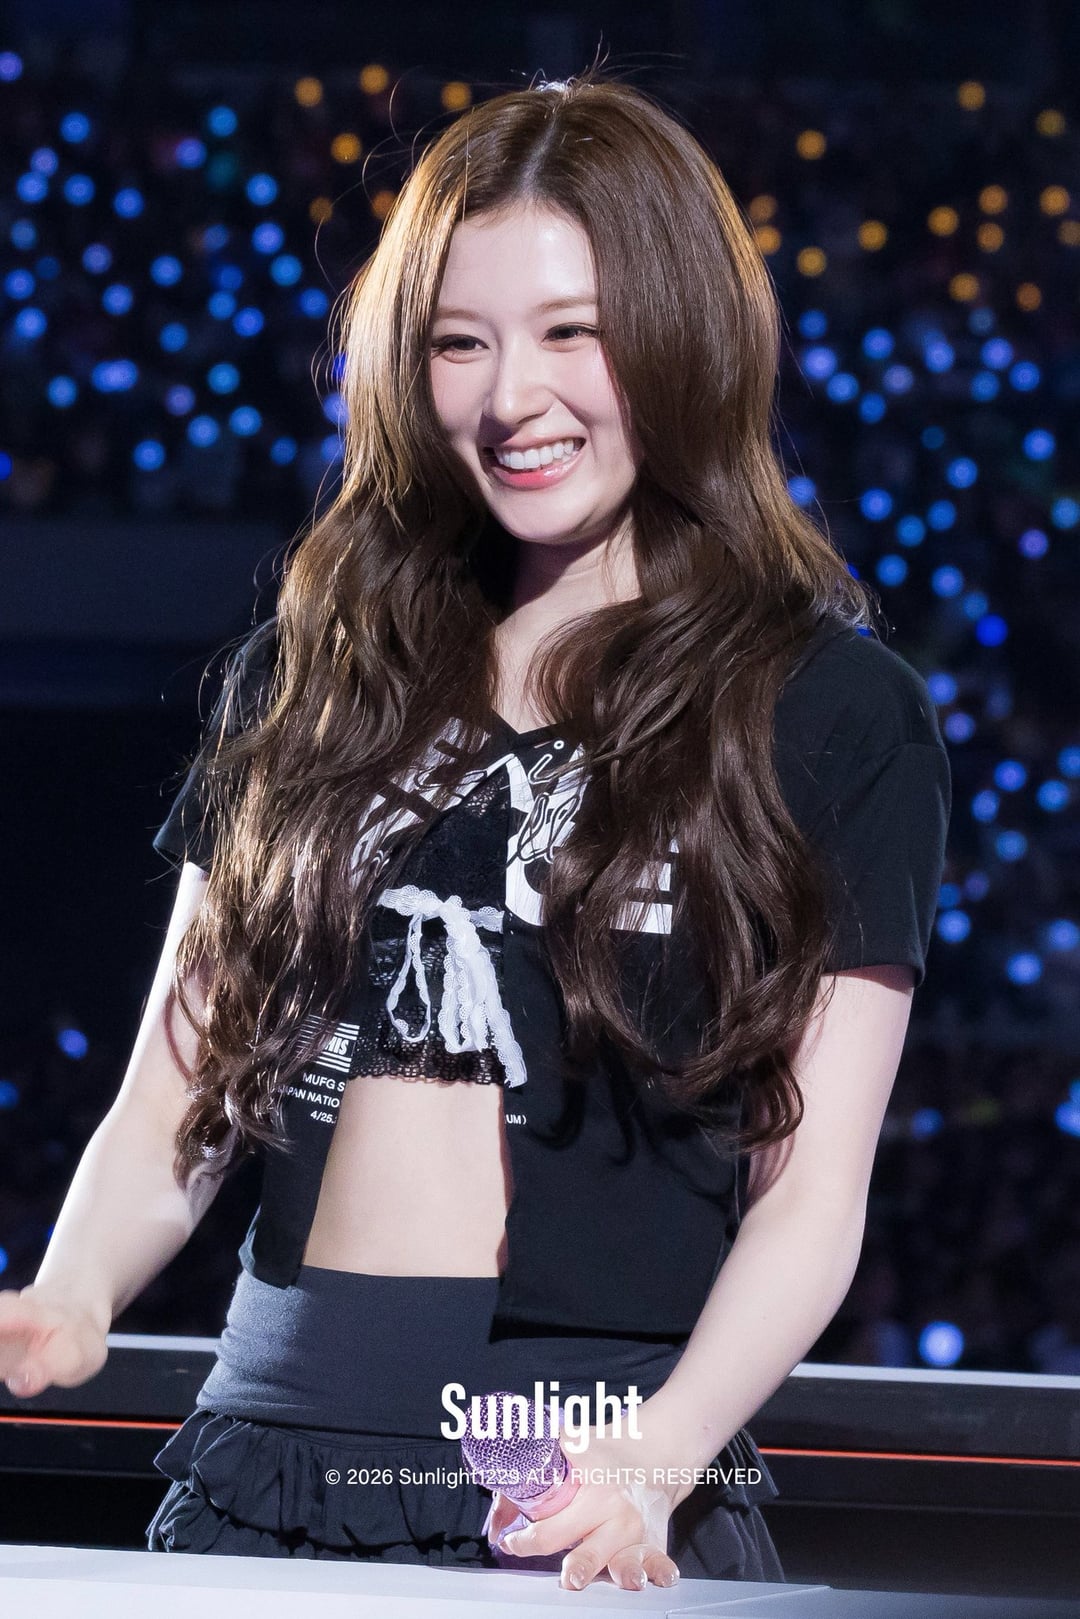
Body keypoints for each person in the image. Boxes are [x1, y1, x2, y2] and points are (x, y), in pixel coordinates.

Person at [0, 70, 950, 1592]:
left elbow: (811, 1195)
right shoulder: (318, 674)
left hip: (581, 1482)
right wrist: (68, 1293)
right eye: (459, 341)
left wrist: (653, 1458)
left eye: (573, 331)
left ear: (684, 332)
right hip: (268, 1453)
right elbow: (182, 1087)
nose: (512, 397)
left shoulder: (827, 709)